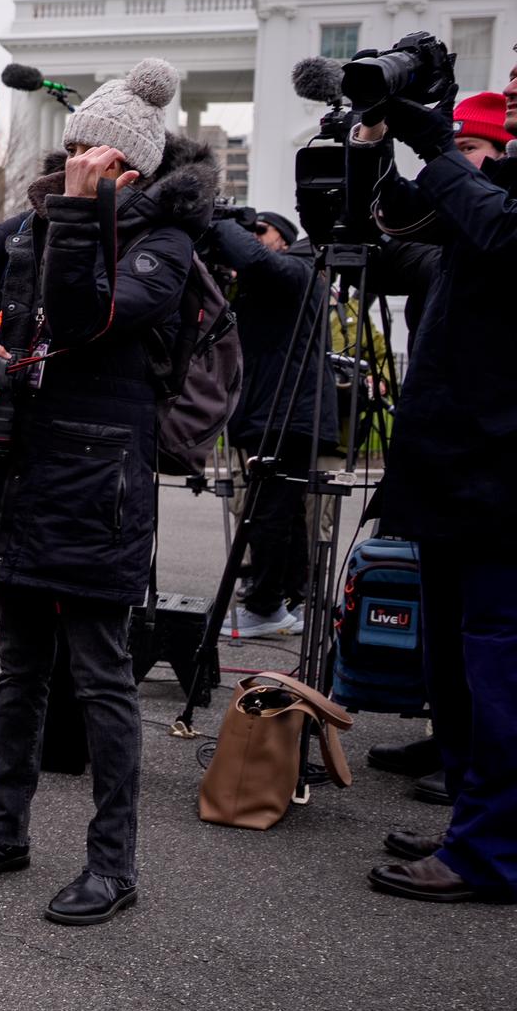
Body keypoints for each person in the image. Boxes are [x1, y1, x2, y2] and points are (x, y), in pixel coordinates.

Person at [0, 59, 210, 925]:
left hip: (101, 487)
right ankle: (7, 831)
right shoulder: (35, 222)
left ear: (131, 169)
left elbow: (83, 319)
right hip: (23, 476)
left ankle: (113, 865)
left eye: (89, 154)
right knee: (18, 671)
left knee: (102, 678)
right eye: (68, 150)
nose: (68, 163)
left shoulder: (166, 243)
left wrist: (76, 212)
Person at [352, 61, 517, 904]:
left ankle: (493, 850)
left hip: (501, 476)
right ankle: (473, 822)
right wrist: (383, 135)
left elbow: (505, 234)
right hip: (458, 465)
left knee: (498, 665)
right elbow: (398, 230)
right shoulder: (502, 174)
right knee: (457, 659)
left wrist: (440, 144)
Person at [198, 208, 331, 640]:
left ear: (286, 240)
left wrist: (215, 221)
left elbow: (255, 260)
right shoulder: (276, 279)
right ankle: (285, 599)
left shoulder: (297, 268)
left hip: (287, 410)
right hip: (277, 409)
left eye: (260, 232)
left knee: (270, 511)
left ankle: (267, 605)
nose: (251, 238)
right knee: (283, 512)